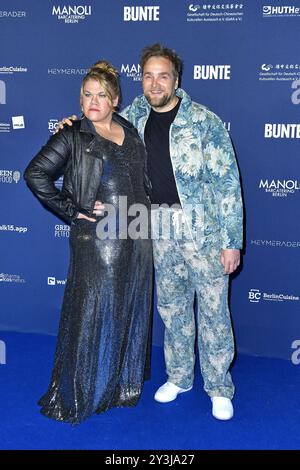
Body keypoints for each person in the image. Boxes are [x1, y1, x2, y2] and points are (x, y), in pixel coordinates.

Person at [59, 44, 243, 421]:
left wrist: (231, 242)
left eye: (163, 75)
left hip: (202, 231)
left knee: (212, 311)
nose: (155, 82)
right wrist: (71, 127)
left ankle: (219, 387)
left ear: (176, 80)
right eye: (148, 75)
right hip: (153, 227)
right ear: (140, 79)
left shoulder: (204, 121)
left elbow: (227, 184)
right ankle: (179, 377)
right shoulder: (133, 117)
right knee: (172, 309)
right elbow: (98, 124)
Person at [24, 61, 153, 425]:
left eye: (101, 95)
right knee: (93, 311)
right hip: (99, 239)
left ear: (115, 101)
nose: (93, 101)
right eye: (87, 95)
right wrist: (72, 208)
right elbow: (35, 174)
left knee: (127, 307)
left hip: (137, 235)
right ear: (79, 99)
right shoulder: (73, 135)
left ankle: (117, 386)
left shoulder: (128, 127)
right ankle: (85, 389)